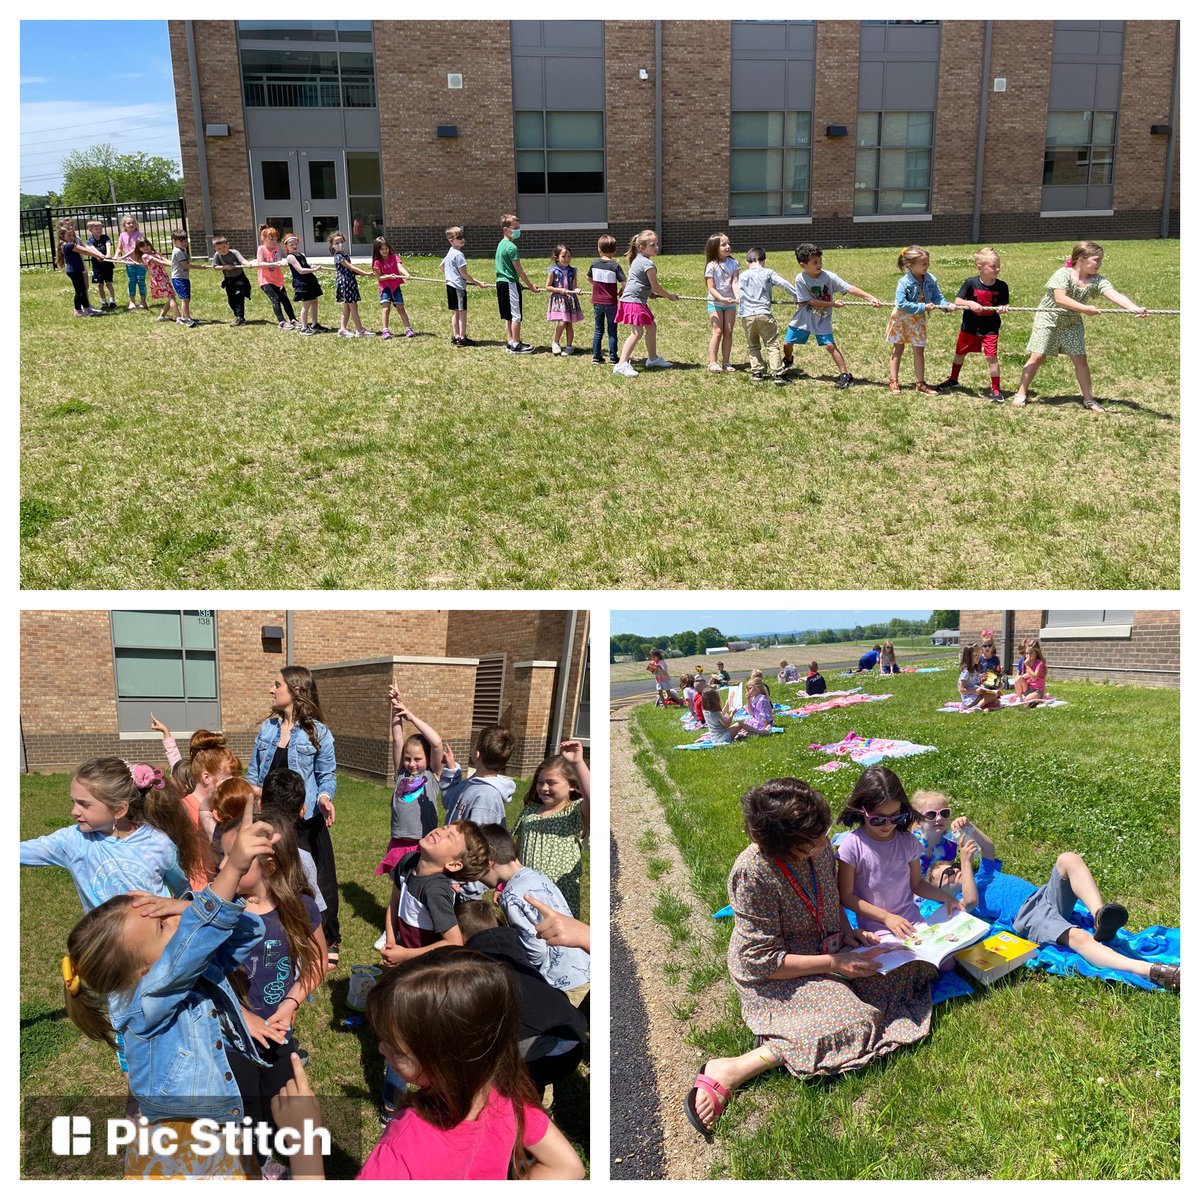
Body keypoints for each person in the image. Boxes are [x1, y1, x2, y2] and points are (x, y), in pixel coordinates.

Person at [686, 777, 932, 1135]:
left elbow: (828, 900)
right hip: (780, 973)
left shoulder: (818, 848)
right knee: (856, 1021)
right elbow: (763, 961)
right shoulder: (753, 874)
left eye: (823, 835)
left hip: (828, 949)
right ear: (776, 847)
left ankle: (795, 1027)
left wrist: (848, 935)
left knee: (911, 969)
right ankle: (736, 1066)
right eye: (811, 843)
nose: (823, 846)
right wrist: (834, 964)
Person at [60, 793, 279, 1178]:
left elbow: (249, 931)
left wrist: (185, 908)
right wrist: (232, 872)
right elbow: (191, 948)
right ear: (143, 971)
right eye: (162, 927)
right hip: (180, 1154)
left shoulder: (177, 974)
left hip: (214, 1134)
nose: (174, 921)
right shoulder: (143, 1001)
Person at [270, 948, 586, 1178]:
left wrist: (305, 1143)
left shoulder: (406, 1144)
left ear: (444, 1062)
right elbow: (567, 1167)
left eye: (397, 1049)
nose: (381, 1048)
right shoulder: (504, 1095)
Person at [929, 837, 1179, 992]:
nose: (954, 871)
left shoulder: (985, 872)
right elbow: (971, 899)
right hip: (1028, 915)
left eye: (953, 867)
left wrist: (969, 828)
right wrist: (963, 862)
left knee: (1067, 859)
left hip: (1044, 895)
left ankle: (1100, 915)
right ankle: (1153, 970)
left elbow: (989, 847)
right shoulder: (959, 903)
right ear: (939, 891)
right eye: (947, 875)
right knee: (1079, 938)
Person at [216, 808, 325, 1160]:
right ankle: (254, 1162)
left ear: (271, 866)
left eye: (236, 860)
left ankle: (275, 1153)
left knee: (279, 1096)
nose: (222, 867)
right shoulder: (218, 911)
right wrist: (241, 1017)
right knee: (243, 1113)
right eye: (223, 857)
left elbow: (317, 961)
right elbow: (201, 976)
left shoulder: (299, 908)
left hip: (279, 1034)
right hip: (230, 1041)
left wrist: (291, 1003)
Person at [379, 820, 489, 1120]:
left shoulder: (437, 890)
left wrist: (406, 954)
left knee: (405, 1040)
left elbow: (453, 942)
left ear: (453, 864)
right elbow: (394, 900)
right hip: (404, 963)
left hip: (426, 975)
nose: (441, 830)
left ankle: (394, 1103)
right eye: (446, 827)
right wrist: (391, 939)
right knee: (398, 1033)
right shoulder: (409, 860)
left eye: (450, 836)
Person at [245, 666, 340, 966]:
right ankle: (285, 930)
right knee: (273, 875)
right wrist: (251, 797)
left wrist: (324, 798)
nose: (271, 690)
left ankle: (328, 936)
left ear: (296, 690)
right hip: (271, 817)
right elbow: (252, 774)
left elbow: (327, 776)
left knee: (317, 878)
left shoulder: (318, 732)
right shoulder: (267, 730)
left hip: (305, 818)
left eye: (277, 685)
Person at [21, 757, 197, 910]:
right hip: (104, 944)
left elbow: (183, 890)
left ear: (119, 810)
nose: (74, 811)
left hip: (154, 945)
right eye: (74, 802)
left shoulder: (159, 843)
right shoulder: (73, 841)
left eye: (84, 804)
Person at [455, 901, 589, 1091]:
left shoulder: (475, 970)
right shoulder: (514, 949)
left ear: (459, 937)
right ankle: (541, 1097)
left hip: (543, 1054)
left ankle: (526, 1106)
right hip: (573, 1037)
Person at [1011, 240, 1148, 413]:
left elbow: (1113, 293)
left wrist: (1134, 308)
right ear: (1081, 259)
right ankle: (1021, 393)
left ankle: (1089, 400)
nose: (1099, 264)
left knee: (1080, 359)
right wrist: (1085, 309)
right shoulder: (1063, 274)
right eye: (1096, 260)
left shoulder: (1096, 280)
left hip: (1071, 322)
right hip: (1049, 319)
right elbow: (1060, 298)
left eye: (1101, 260)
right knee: (1037, 356)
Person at [835, 767, 964, 941]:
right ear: (861, 810)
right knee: (901, 961)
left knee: (947, 958)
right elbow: (846, 896)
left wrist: (947, 897)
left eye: (895, 817)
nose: (887, 825)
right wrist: (886, 917)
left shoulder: (907, 841)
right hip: (876, 927)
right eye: (878, 819)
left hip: (911, 920)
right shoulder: (852, 846)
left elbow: (917, 884)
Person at [478, 825, 591, 1005]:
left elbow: (536, 951)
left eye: (476, 871)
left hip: (561, 977)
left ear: (489, 862)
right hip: (582, 962)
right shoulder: (533, 875)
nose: (478, 879)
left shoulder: (511, 896)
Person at [782, 242, 882, 387]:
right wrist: (832, 304)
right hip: (804, 317)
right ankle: (788, 359)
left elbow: (849, 288)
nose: (819, 264)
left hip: (822, 318)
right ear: (803, 265)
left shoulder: (829, 277)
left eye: (820, 261)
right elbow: (809, 301)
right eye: (814, 262)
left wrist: (870, 298)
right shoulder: (800, 279)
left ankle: (845, 375)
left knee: (830, 346)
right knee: (787, 343)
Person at [512, 740, 589, 919]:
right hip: (526, 893)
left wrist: (578, 763)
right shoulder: (530, 811)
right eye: (540, 782)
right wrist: (504, 885)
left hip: (559, 895)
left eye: (551, 783)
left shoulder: (574, 812)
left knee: (559, 942)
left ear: (571, 785)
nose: (544, 788)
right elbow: (516, 850)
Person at [379, 687, 443, 874]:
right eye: (408, 759)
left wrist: (411, 717)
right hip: (399, 842)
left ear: (428, 759)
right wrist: (396, 706)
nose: (412, 764)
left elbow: (437, 743)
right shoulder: (401, 773)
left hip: (424, 843)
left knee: (418, 889)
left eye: (418, 759)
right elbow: (397, 738)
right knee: (398, 889)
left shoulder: (432, 774)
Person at [936, 246, 1009, 401]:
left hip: (990, 328)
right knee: (960, 353)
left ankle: (996, 389)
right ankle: (953, 379)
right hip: (969, 327)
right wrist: (969, 303)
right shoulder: (970, 283)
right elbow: (958, 301)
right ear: (979, 267)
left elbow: (1005, 305)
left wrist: (1003, 308)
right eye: (993, 266)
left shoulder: (1002, 286)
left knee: (991, 357)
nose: (997, 269)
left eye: (998, 266)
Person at [886, 245, 952, 394]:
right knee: (898, 349)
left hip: (918, 320)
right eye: (923, 264)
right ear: (910, 266)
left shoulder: (930, 279)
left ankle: (920, 383)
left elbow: (937, 297)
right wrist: (923, 307)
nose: (927, 266)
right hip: (901, 319)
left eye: (927, 263)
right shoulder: (904, 282)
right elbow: (901, 303)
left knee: (919, 350)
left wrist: (946, 306)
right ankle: (893, 381)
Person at [613, 228, 679, 377]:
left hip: (636, 300)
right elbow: (655, 286)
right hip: (633, 301)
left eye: (656, 244)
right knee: (637, 332)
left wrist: (650, 293)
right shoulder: (647, 264)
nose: (656, 247)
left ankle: (653, 358)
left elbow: (640, 281)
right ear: (642, 247)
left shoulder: (639, 260)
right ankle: (621, 364)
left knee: (651, 327)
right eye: (652, 245)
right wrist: (669, 296)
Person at [737, 246, 800, 385]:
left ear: (748, 262)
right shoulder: (768, 273)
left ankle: (757, 372)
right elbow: (784, 283)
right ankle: (777, 374)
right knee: (771, 344)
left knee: (752, 344)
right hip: (764, 313)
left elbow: (736, 292)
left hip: (746, 316)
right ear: (764, 260)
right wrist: (796, 295)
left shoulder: (742, 276)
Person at [909, 789, 995, 875]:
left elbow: (986, 848)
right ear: (918, 821)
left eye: (944, 813)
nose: (939, 818)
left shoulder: (950, 842)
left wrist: (967, 827)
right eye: (931, 814)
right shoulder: (910, 843)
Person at [495, 213, 540, 353]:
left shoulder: (501, 245)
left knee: (508, 315)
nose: (517, 230)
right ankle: (516, 344)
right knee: (516, 315)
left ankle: (510, 341)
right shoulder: (511, 248)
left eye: (518, 227)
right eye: (515, 228)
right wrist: (531, 285)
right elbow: (520, 271)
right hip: (509, 284)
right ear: (505, 229)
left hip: (500, 283)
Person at [440, 225, 489, 346]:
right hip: (458, 288)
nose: (462, 239)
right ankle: (462, 338)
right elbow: (464, 274)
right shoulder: (459, 255)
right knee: (462, 312)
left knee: (455, 312)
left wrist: (449, 276)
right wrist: (478, 283)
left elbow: (441, 266)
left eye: (463, 236)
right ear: (451, 240)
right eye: (459, 237)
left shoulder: (450, 252)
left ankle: (456, 336)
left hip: (450, 285)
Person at [703, 232, 741, 373]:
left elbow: (735, 281)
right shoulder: (711, 266)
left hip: (730, 303)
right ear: (714, 247)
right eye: (723, 244)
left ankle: (726, 362)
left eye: (728, 243)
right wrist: (721, 298)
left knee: (728, 331)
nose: (727, 246)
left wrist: (737, 296)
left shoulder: (734, 263)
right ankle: (713, 362)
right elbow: (711, 287)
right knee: (717, 332)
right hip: (715, 302)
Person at [327, 230, 376, 338]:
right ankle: (360, 330)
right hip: (346, 283)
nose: (339, 244)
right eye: (336, 243)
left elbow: (350, 271)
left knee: (347, 307)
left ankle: (342, 329)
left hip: (349, 282)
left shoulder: (343, 254)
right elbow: (351, 267)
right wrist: (366, 273)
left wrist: (362, 274)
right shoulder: (339, 256)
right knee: (353, 307)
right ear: (332, 245)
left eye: (341, 241)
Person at [587, 234, 626, 365]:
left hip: (597, 302)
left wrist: (596, 286)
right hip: (611, 303)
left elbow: (589, 278)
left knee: (598, 330)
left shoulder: (594, 263)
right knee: (612, 330)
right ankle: (613, 358)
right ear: (614, 250)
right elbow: (624, 283)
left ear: (599, 249)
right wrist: (621, 291)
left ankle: (597, 357)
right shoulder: (615, 266)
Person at [55, 217, 105, 317]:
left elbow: (85, 249)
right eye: (69, 235)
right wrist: (98, 255)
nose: (72, 237)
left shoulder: (69, 243)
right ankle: (77, 311)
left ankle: (87, 309)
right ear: (62, 236)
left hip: (78, 269)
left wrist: (98, 255)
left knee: (83, 290)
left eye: (73, 235)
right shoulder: (68, 245)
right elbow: (84, 250)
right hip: (74, 271)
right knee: (79, 291)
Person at [256, 225, 300, 331]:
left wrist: (282, 263)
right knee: (275, 299)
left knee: (285, 299)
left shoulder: (276, 249)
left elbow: (279, 260)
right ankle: (281, 321)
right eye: (271, 239)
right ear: (264, 239)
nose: (274, 241)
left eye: (275, 239)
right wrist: (275, 263)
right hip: (265, 280)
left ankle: (293, 319)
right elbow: (260, 263)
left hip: (277, 279)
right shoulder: (261, 249)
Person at [283, 233, 327, 334]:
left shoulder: (301, 254)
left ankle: (315, 324)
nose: (294, 246)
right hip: (302, 283)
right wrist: (315, 270)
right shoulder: (290, 257)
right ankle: (304, 327)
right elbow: (301, 270)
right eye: (291, 244)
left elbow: (305, 266)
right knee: (306, 305)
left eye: (296, 243)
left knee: (314, 302)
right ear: (286, 246)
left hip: (310, 281)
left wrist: (312, 266)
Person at [372, 235, 414, 340]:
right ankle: (385, 330)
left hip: (395, 287)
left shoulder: (394, 257)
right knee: (386, 308)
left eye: (386, 248)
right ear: (377, 250)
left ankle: (408, 328)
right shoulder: (377, 262)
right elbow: (379, 278)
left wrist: (406, 274)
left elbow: (400, 267)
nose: (384, 251)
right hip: (385, 288)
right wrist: (389, 276)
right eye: (382, 249)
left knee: (400, 307)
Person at [546, 243, 584, 354]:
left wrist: (576, 290)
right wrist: (559, 290)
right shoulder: (553, 271)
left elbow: (574, 286)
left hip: (570, 300)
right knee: (562, 322)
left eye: (569, 256)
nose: (567, 259)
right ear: (557, 258)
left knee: (569, 324)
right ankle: (556, 342)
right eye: (563, 256)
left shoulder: (573, 271)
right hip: (559, 300)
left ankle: (569, 346)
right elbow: (548, 287)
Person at [209, 235, 253, 327]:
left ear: (228, 245)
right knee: (231, 300)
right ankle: (237, 316)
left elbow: (242, 260)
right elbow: (215, 267)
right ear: (215, 249)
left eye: (224, 247)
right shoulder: (217, 255)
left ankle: (240, 318)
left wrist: (247, 264)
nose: (222, 250)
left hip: (240, 278)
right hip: (229, 280)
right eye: (219, 249)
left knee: (238, 297)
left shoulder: (234, 252)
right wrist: (225, 267)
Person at [135, 238, 179, 322]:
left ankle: (162, 316)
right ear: (139, 249)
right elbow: (160, 262)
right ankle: (179, 318)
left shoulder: (154, 253)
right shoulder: (146, 256)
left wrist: (174, 263)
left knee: (172, 297)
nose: (146, 247)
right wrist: (175, 265)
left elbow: (164, 260)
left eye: (147, 245)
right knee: (172, 298)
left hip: (164, 278)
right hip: (159, 280)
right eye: (143, 247)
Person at [169, 228, 202, 328]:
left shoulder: (182, 250)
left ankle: (185, 316)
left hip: (183, 277)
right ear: (174, 241)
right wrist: (199, 267)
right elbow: (186, 265)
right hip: (178, 278)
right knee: (185, 299)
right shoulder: (178, 252)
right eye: (181, 241)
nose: (184, 243)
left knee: (187, 298)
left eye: (185, 241)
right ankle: (187, 319)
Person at [116, 213, 148, 309]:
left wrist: (123, 257)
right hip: (129, 263)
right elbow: (119, 248)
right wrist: (116, 255)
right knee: (131, 281)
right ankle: (132, 302)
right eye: (128, 223)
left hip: (140, 263)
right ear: (124, 226)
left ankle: (143, 301)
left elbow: (134, 249)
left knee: (141, 281)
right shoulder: (122, 235)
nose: (131, 225)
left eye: (133, 223)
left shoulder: (139, 235)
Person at [958, 643, 999, 711]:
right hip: (970, 699)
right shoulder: (966, 672)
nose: (978, 657)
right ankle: (977, 707)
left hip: (976, 695)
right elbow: (961, 689)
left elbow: (974, 682)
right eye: (975, 655)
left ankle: (981, 705)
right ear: (968, 657)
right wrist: (975, 691)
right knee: (992, 696)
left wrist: (981, 678)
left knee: (995, 699)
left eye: (978, 654)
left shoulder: (975, 669)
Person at [86, 219, 117, 310]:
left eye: (100, 228)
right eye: (96, 229)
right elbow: (92, 249)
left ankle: (112, 301)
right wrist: (98, 255)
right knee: (100, 284)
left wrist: (108, 254)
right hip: (97, 266)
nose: (99, 230)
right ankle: (103, 302)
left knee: (109, 283)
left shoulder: (105, 238)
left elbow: (108, 244)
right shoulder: (90, 241)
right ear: (90, 230)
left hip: (107, 264)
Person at [1013, 637, 1048, 703]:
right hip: (1028, 687)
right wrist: (1019, 678)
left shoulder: (1039, 663)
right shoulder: (1026, 662)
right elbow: (1027, 675)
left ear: (1036, 653)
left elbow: (1034, 677)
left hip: (1037, 690)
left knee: (1027, 700)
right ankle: (1019, 697)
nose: (1028, 656)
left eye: (1031, 653)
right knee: (1018, 679)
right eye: (1026, 653)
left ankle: (1043, 696)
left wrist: (1027, 666)